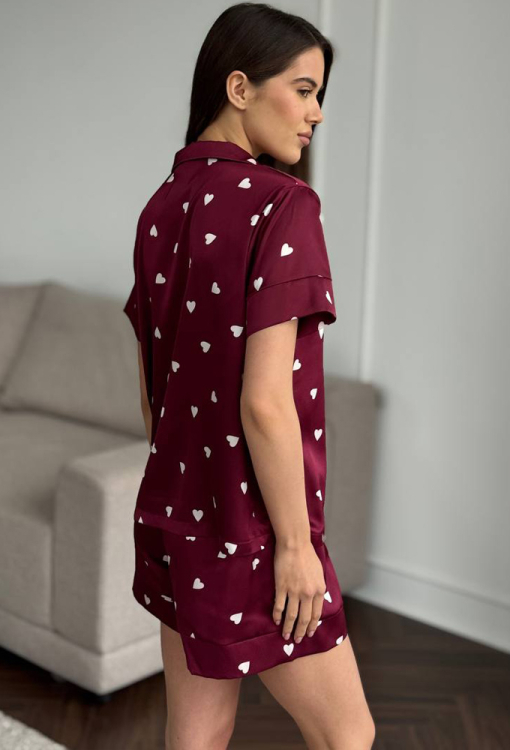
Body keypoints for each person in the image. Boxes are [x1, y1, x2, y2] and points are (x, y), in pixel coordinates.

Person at [123, 3, 375, 749]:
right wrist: (295, 547)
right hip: (255, 531)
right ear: (239, 88)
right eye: (304, 90)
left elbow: (156, 401)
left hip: (180, 519)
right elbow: (265, 403)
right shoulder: (283, 204)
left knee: (196, 735)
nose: (317, 113)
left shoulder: (160, 209)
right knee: (348, 736)